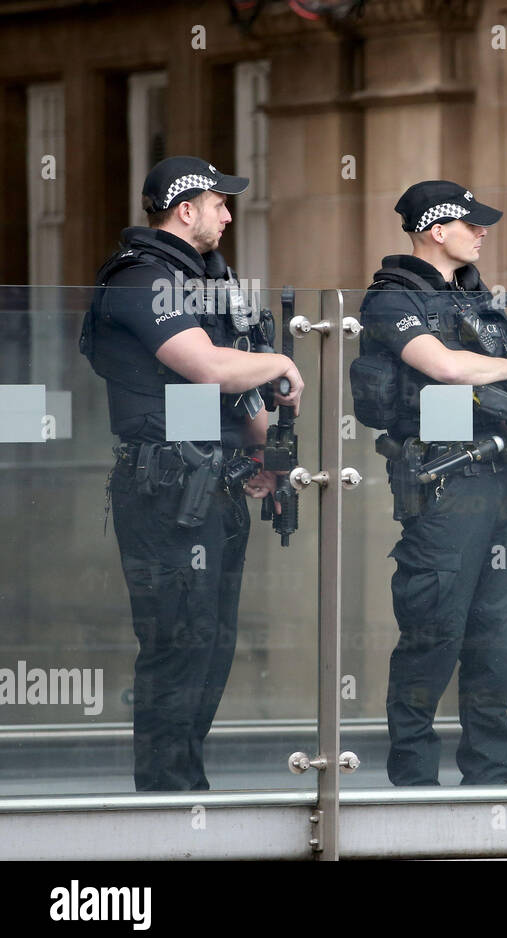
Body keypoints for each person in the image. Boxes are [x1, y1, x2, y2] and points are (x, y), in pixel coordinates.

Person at [80, 156, 304, 791]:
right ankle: (167, 801)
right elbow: (207, 367)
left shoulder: (212, 283)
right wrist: (279, 362)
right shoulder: (140, 279)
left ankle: (186, 791)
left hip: (220, 486)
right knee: (178, 645)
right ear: (184, 209)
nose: (228, 214)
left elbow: (239, 392)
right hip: (163, 490)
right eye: (218, 203)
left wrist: (269, 458)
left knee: (211, 648)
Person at [359, 180, 507, 785]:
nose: (482, 232)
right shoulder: (390, 299)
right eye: (470, 223)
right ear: (433, 230)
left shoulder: (485, 304)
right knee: (432, 635)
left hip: (495, 484)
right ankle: (415, 781)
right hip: (440, 487)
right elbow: (445, 366)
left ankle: (491, 780)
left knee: (498, 639)